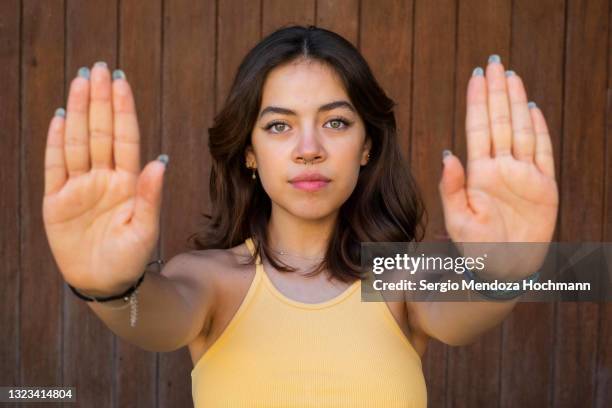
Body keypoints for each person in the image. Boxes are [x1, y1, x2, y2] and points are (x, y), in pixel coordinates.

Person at [42, 25, 559, 407]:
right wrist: (109, 289)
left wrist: (503, 271)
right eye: (278, 126)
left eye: (335, 122)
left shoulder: (401, 276)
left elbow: (464, 315)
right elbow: (148, 319)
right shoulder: (207, 281)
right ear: (248, 151)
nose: (309, 149)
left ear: (365, 146)